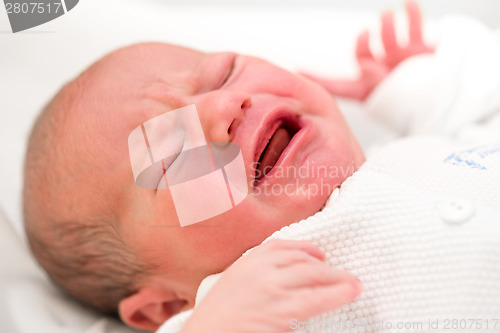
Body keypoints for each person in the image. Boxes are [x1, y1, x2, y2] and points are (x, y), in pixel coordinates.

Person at [24, 1, 499, 332]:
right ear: (169, 304)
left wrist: (432, 91)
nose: (225, 105)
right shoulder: (240, 309)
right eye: (171, 153)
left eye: (223, 73)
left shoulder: (417, 147)